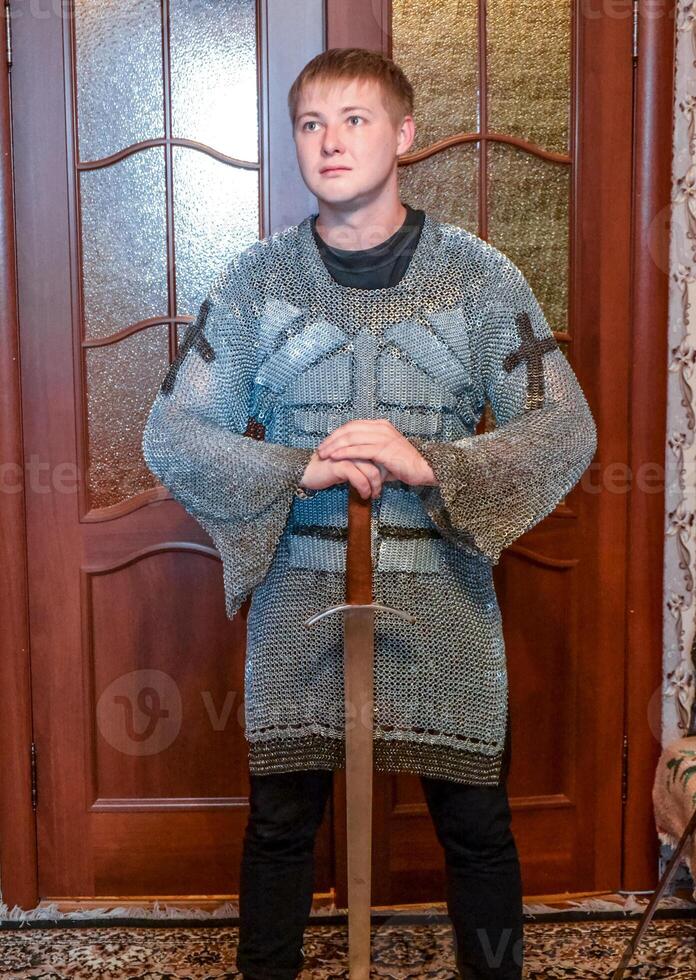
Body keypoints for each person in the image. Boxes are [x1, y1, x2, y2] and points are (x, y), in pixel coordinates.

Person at [142, 47, 597, 980]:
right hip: (299, 597)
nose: (330, 142)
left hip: (440, 599)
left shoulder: (476, 278)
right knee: (280, 827)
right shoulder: (257, 281)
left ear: (403, 135)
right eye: (311, 124)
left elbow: (564, 424)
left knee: (475, 825)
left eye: (355, 120)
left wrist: (426, 460)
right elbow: (176, 430)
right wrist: (296, 466)